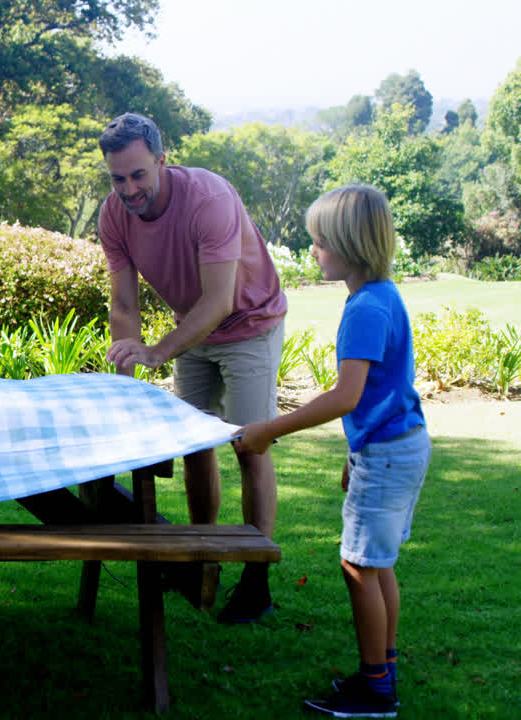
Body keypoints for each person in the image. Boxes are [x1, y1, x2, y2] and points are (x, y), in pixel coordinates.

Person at [235, 185, 428, 718]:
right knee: (378, 563)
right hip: (398, 445)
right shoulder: (383, 296)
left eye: (320, 241)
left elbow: (347, 394)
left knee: (358, 565)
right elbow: (385, 392)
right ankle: (382, 670)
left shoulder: (366, 307)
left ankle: (374, 690)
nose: (313, 250)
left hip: (389, 452)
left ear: (348, 244)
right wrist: (354, 452)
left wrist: (270, 429)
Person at [97, 112, 288, 622]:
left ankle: (256, 577)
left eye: (139, 175)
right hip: (194, 329)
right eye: (118, 178)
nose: (130, 189)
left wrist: (157, 352)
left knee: (250, 444)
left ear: (162, 161)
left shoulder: (208, 198)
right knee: (195, 446)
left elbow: (220, 300)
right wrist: (127, 370)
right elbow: (123, 303)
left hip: (249, 323)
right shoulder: (114, 215)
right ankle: (204, 557)